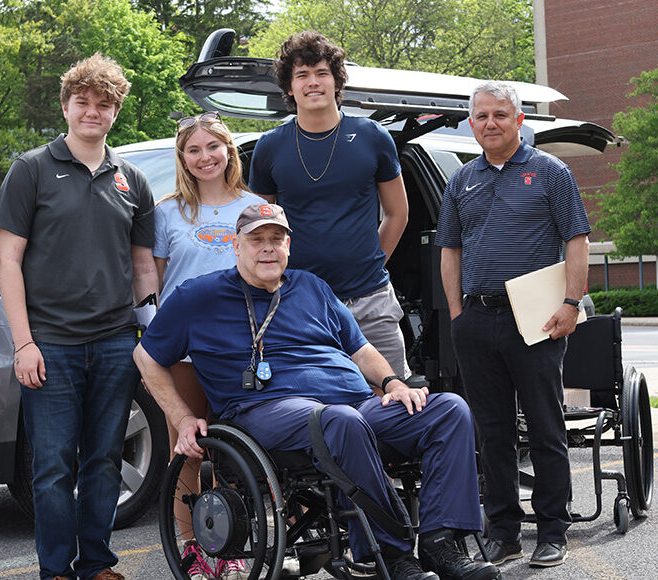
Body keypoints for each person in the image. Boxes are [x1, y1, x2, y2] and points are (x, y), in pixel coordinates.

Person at [135, 203, 500, 580]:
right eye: (256, 239)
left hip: (354, 403)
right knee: (339, 422)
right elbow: (145, 357)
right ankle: (390, 558)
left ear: (288, 246)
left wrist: (393, 383)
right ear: (235, 245)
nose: (268, 248)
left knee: (449, 410)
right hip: (264, 411)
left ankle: (441, 546)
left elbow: (361, 349)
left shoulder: (312, 287)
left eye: (277, 239)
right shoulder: (198, 297)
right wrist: (182, 417)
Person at [0, 53, 158, 580]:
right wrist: (23, 343)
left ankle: (96, 564)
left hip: (115, 344)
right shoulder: (31, 170)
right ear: (66, 106)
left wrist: (145, 335)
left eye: (104, 104)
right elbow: (7, 261)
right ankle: (56, 570)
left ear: (115, 112)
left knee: (105, 461)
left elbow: (142, 268)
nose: (93, 112)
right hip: (51, 346)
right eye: (83, 102)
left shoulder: (131, 178)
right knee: (52, 467)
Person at [436, 81, 590, 569]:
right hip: (477, 320)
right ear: (471, 123)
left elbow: (576, 240)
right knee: (492, 432)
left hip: (537, 318)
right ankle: (502, 532)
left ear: (519, 120)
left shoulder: (551, 172)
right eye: (480, 116)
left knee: (545, 428)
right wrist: (458, 315)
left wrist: (571, 303)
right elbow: (450, 249)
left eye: (500, 115)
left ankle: (552, 530)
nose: (490, 124)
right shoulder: (462, 180)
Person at [249, 30, 411, 379]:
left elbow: (398, 213)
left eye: (322, 73)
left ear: (337, 82)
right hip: (299, 303)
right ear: (289, 89)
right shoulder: (270, 147)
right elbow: (260, 230)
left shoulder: (372, 137)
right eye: (302, 75)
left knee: (395, 404)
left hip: (372, 301)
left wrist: (371, 263)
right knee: (318, 411)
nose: (313, 82)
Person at [154, 112, 265, 580]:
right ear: (183, 158)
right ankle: (194, 549)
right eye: (194, 150)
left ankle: (232, 546)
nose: (205, 157)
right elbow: (155, 284)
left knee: (235, 455)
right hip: (183, 352)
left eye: (213, 147)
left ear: (228, 151)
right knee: (188, 453)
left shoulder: (254, 205)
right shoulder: (165, 213)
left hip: (242, 349)